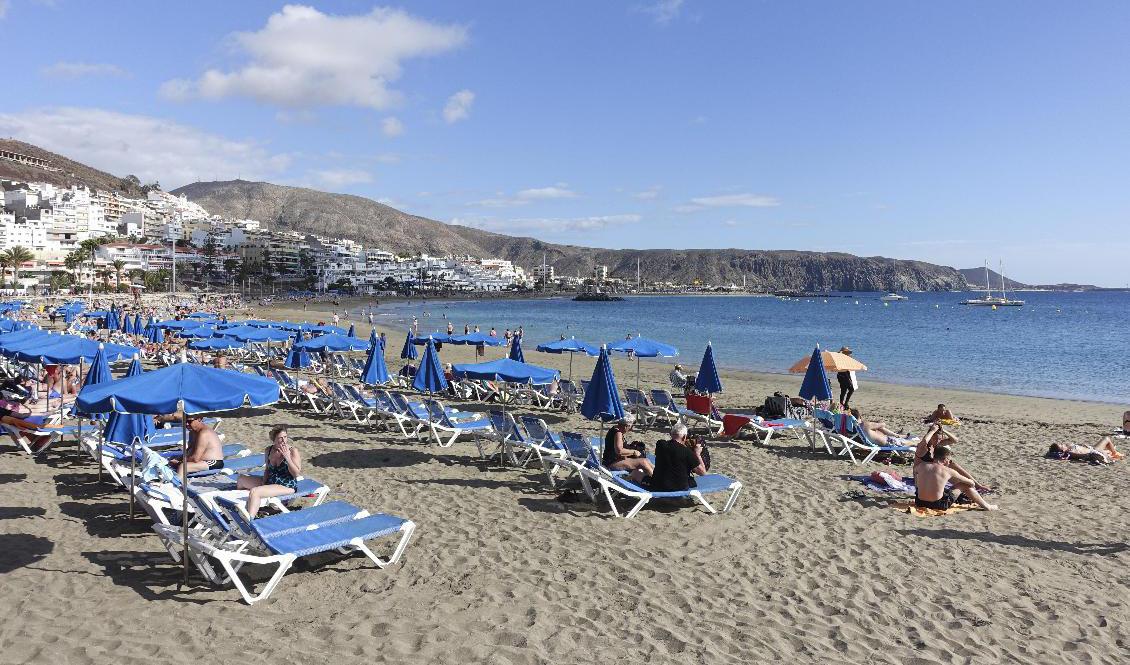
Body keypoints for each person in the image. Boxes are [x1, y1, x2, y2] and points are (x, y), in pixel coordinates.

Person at [236, 425, 301, 518]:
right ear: (274, 439)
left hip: (286, 485)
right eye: (280, 438)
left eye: (285, 437)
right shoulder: (269, 450)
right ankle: (246, 507)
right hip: (271, 481)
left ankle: (249, 520)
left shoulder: (293, 451)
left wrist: (287, 457)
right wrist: (263, 482)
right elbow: (267, 469)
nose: (283, 440)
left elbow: (296, 474)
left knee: (255, 492)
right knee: (241, 479)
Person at [913, 445, 997, 511]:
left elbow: (915, 472)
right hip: (937, 505)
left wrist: (917, 485)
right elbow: (971, 483)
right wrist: (958, 484)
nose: (949, 462)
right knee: (964, 485)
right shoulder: (948, 471)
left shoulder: (921, 466)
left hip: (919, 502)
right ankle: (987, 506)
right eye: (949, 460)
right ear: (945, 459)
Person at [648, 423, 707, 492]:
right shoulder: (687, 452)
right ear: (684, 437)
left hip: (657, 486)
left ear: (671, 434)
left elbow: (673, 454)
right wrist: (697, 454)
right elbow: (703, 473)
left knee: (637, 473)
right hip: (679, 488)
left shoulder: (660, 444)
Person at [602, 414, 653, 482]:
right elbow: (619, 451)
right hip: (611, 464)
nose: (632, 429)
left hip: (615, 460)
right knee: (643, 462)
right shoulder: (618, 433)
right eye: (631, 426)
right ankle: (655, 482)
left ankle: (660, 476)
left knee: (646, 460)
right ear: (626, 426)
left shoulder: (615, 429)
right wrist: (634, 452)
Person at [850, 408, 917, 446]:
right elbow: (883, 424)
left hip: (876, 442)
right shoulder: (865, 424)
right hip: (890, 442)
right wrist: (878, 423)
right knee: (915, 442)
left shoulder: (853, 428)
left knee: (877, 428)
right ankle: (898, 435)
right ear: (859, 416)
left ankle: (898, 435)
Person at [1047, 440, 1124, 464]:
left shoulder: (1068, 449)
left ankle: (1112, 452)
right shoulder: (1070, 452)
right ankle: (1114, 453)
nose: (1062, 444)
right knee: (1107, 439)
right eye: (1061, 445)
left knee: (1107, 447)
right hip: (1094, 450)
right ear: (1062, 450)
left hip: (1091, 448)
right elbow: (1084, 455)